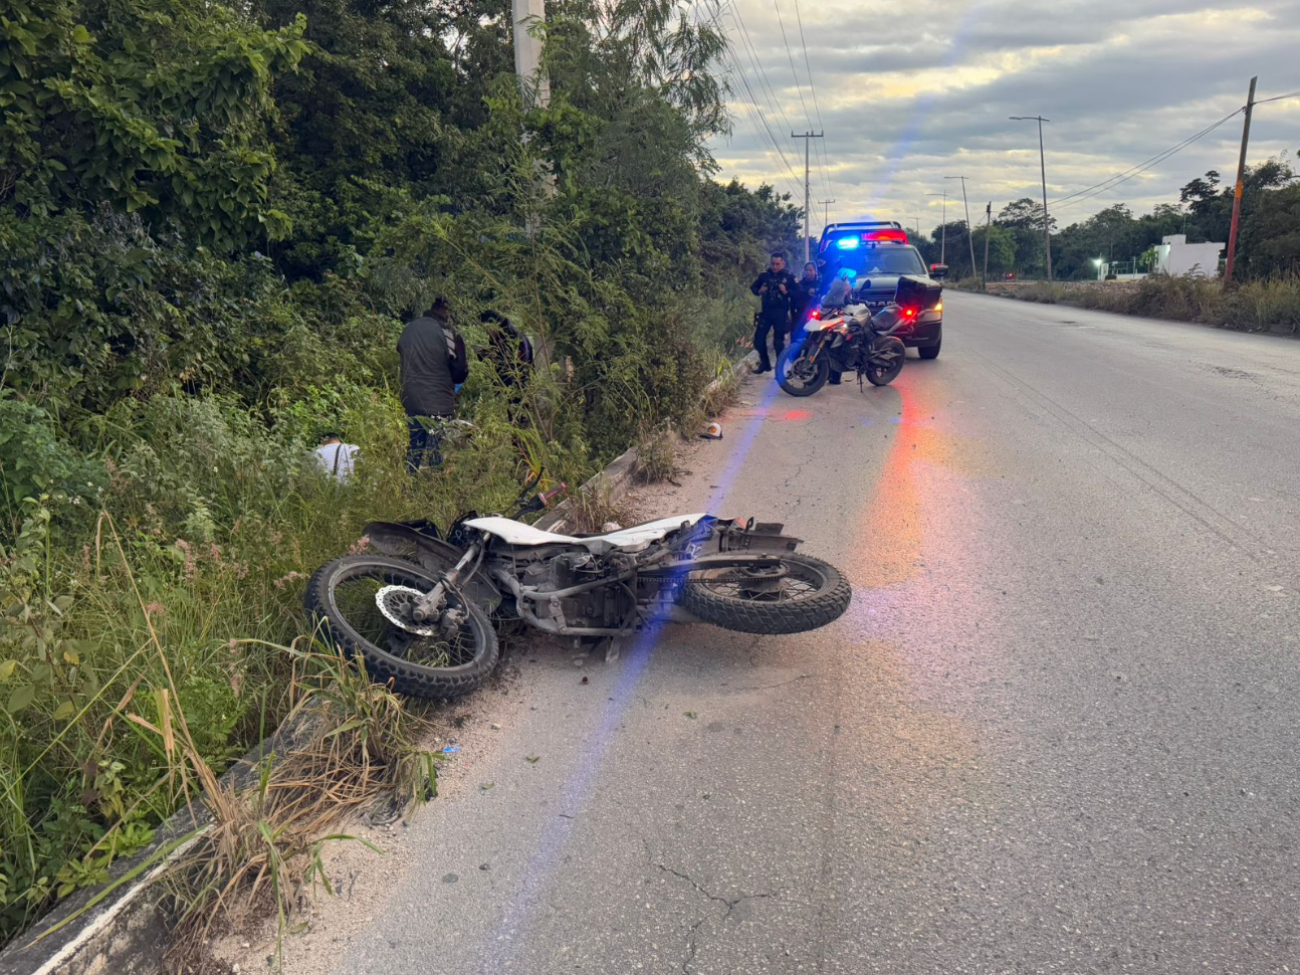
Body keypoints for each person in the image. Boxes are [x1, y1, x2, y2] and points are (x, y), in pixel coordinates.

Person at [398, 297, 469, 473]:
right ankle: (435, 490)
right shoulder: (448, 333)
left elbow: (400, 348)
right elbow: (460, 371)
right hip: (439, 404)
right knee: (437, 450)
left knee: (415, 446)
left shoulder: (410, 329)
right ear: (445, 311)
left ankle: (409, 486)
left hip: (411, 400)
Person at [749, 252, 797, 374]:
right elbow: (753, 288)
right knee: (758, 340)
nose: (774, 267)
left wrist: (786, 291)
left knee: (778, 342)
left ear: (783, 264)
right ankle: (765, 364)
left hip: (780, 313)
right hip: (766, 312)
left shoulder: (788, 277)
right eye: (773, 264)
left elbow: (797, 293)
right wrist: (760, 291)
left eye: (777, 264)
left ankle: (780, 369)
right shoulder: (765, 276)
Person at [790, 261, 821, 339]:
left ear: (815, 271)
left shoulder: (820, 284)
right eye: (807, 270)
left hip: (814, 314)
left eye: (810, 270)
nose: (808, 272)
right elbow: (794, 297)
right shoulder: (800, 284)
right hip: (800, 314)